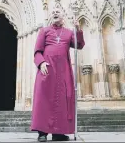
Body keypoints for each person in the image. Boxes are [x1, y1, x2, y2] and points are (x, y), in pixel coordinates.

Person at [30, 8, 85, 142]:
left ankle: (59, 133)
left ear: (63, 16)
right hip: (47, 70)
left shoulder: (69, 33)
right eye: (53, 12)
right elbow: (37, 51)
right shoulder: (44, 31)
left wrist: (78, 29)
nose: (55, 13)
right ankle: (42, 133)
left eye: (58, 11)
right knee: (43, 100)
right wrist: (41, 63)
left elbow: (79, 45)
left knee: (62, 99)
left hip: (63, 71)